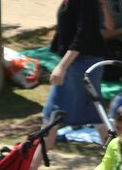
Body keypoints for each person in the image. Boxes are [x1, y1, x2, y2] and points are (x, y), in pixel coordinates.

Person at [43, 0, 110, 130]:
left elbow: (83, 34)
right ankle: (38, 151)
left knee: (95, 115)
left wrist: (62, 66)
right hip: (74, 62)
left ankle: (114, 150)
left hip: (83, 63)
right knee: (50, 116)